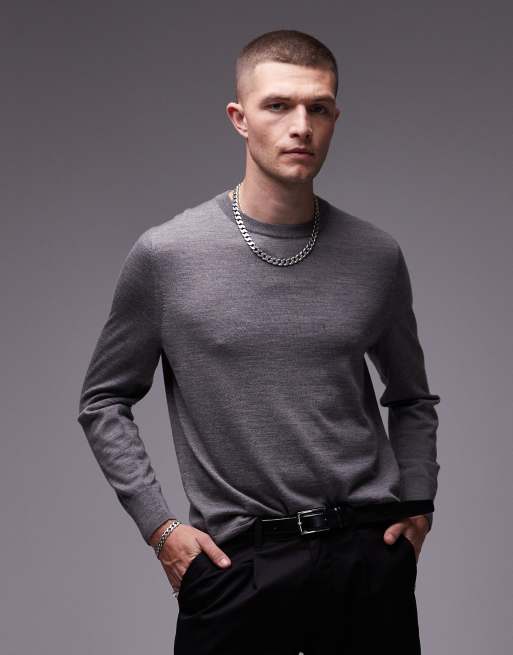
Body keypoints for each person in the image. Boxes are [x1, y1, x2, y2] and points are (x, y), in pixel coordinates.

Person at [77, 29, 440, 654]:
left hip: (366, 559)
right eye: (278, 105)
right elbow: (103, 400)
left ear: (334, 118)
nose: (300, 126)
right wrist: (160, 528)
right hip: (237, 567)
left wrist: (418, 500)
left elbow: (411, 397)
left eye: (317, 108)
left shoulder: (376, 255)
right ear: (239, 118)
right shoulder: (167, 256)